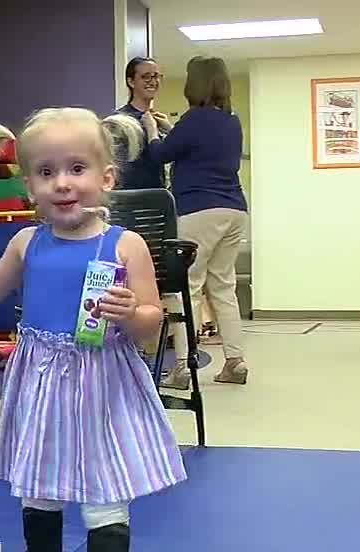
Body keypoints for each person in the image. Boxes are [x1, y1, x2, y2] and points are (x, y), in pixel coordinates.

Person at [0, 107, 187, 552]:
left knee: (104, 482)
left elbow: (153, 320)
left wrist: (133, 312)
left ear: (107, 177)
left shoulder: (123, 244)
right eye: (46, 172)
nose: (62, 183)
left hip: (102, 382)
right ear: (30, 186)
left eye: (77, 169)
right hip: (40, 378)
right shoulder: (27, 242)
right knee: (40, 478)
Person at [139, 55, 249, 387]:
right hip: (235, 210)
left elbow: (159, 155)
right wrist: (174, 131)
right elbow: (201, 147)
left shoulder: (194, 119)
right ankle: (235, 361)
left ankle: (183, 367)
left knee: (186, 288)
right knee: (223, 286)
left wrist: (151, 131)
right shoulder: (231, 121)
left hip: (199, 210)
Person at [115, 57, 171, 190]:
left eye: (156, 76)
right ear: (131, 82)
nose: (153, 81)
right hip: (131, 199)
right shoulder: (120, 121)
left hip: (158, 195)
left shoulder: (158, 121)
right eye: (146, 77)